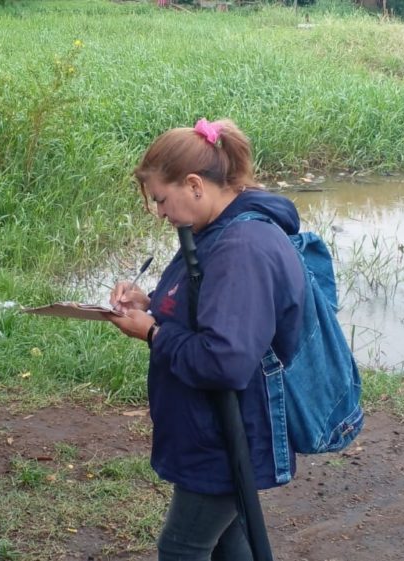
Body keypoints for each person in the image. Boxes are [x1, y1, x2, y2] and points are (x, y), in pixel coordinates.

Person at [108, 119, 307, 560]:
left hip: (229, 433)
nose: (160, 212)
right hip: (214, 428)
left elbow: (225, 359)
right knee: (231, 542)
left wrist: (152, 331)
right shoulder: (214, 228)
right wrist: (154, 300)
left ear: (194, 184)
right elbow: (210, 309)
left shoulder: (242, 247)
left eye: (161, 199)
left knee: (182, 547)